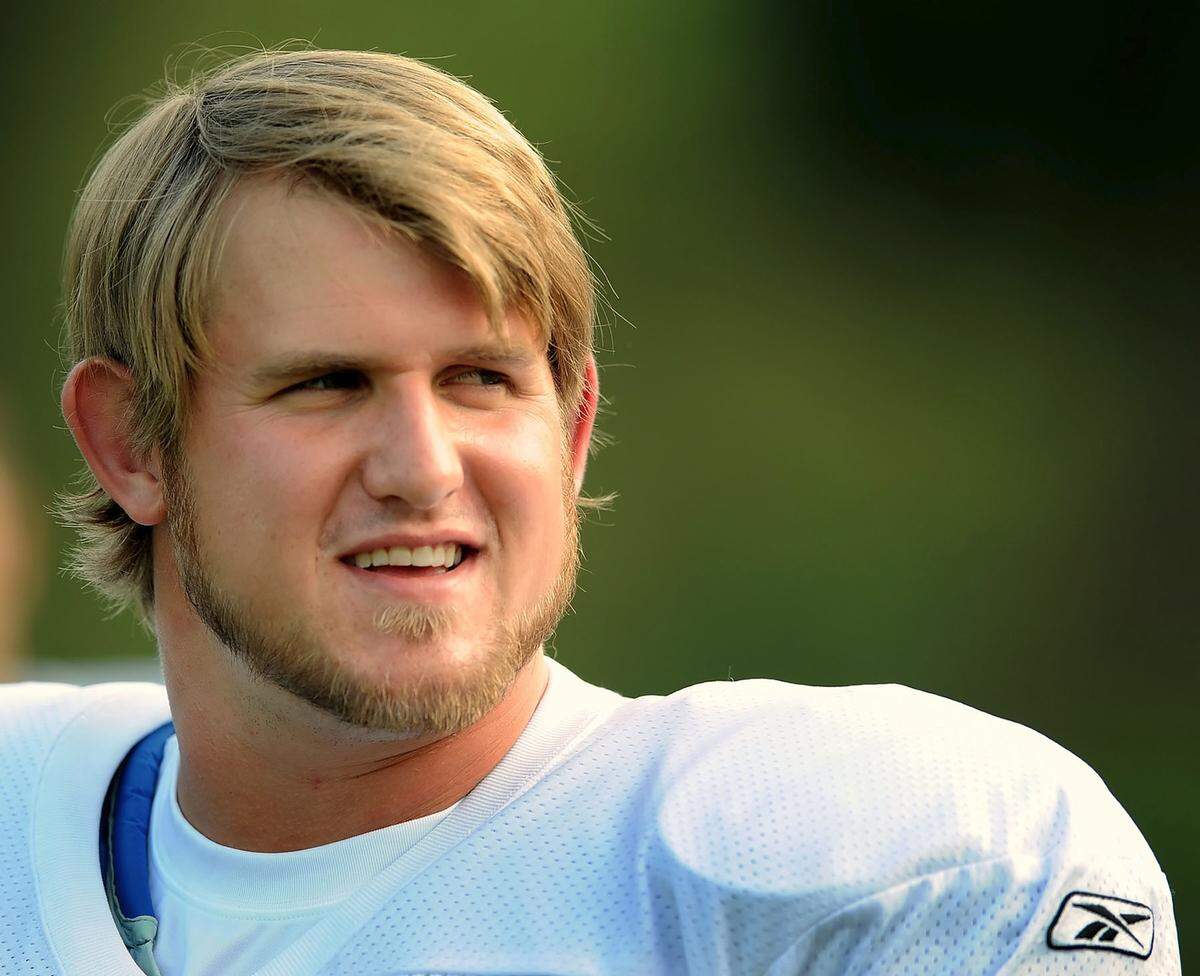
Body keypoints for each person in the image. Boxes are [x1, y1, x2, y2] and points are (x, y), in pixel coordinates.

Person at [0, 47, 1179, 976]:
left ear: (568, 427)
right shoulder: (25, 822)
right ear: (131, 442)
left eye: (482, 380)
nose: (422, 465)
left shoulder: (840, 862)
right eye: (327, 384)